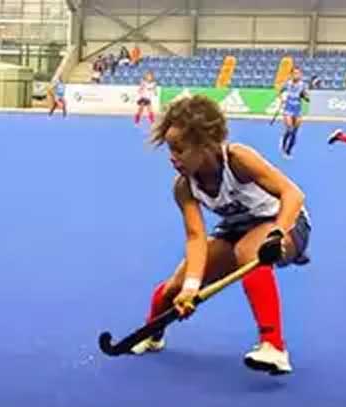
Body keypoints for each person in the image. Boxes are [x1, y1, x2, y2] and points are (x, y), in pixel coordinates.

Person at [130, 95, 311, 376]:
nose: (172, 157)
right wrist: (191, 288)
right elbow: (195, 237)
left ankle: (274, 347)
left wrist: (278, 233)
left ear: (205, 144)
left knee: (248, 251)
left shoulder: (237, 159)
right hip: (236, 230)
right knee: (175, 286)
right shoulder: (184, 187)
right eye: (170, 149)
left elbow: (293, 194)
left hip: (286, 223)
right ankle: (151, 334)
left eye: (179, 149)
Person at [278, 67, 309, 159]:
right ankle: (283, 144)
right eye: (294, 73)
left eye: (298, 73)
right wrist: (282, 99)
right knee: (290, 129)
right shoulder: (287, 84)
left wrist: (304, 96)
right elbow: (280, 92)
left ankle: (288, 151)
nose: (296, 75)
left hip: (297, 110)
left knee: (295, 132)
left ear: (301, 75)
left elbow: (307, 99)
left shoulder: (303, 85)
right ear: (291, 74)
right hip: (288, 109)